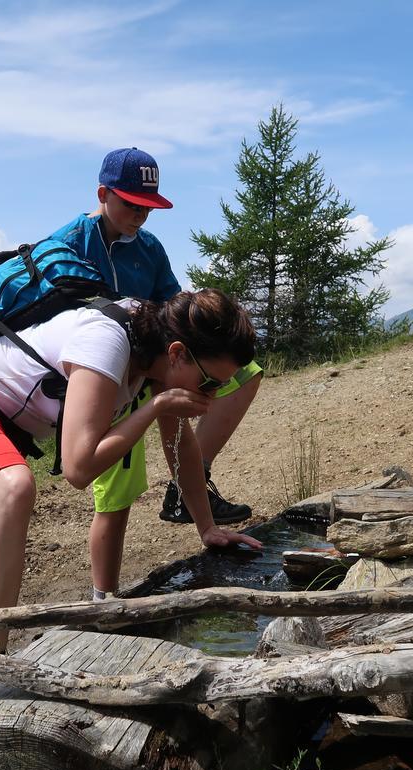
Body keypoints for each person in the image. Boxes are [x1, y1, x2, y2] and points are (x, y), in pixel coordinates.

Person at [0, 289, 263, 716]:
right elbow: (78, 466)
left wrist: (206, 527)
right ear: (179, 353)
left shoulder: (157, 355)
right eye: (210, 382)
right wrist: (153, 408)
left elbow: (179, 446)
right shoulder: (106, 342)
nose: (214, 395)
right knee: (13, 488)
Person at [49, 147, 263, 597]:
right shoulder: (70, 243)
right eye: (131, 204)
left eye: (149, 207)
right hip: (104, 377)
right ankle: (103, 598)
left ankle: (195, 503)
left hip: (158, 361)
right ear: (103, 194)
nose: (141, 216)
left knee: (203, 411)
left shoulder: (149, 248)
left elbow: (171, 306)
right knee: (118, 492)